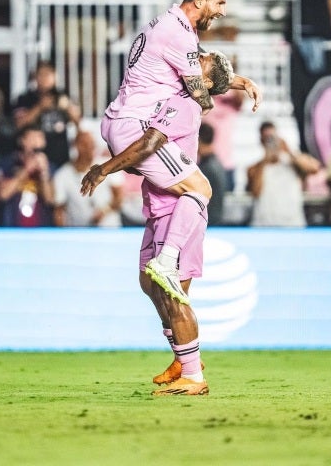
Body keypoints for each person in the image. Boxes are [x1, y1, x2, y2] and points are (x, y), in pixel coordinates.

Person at [81, 50, 241, 396]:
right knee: (149, 284)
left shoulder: (184, 105)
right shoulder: (177, 93)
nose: (195, 56)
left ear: (205, 81)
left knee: (173, 297)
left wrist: (104, 169)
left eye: (203, 60)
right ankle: (182, 360)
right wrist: (239, 83)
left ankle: (193, 376)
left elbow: (149, 145)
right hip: (159, 208)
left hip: (180, 210)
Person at [98, 0, 261, 306]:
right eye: (219, 2)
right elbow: (200, 90)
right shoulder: (179, 35)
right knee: (201, 190)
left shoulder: (170, 27)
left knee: (155, 286)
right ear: (199, 0)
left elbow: (202, 72)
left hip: (122, 120)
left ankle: (180, 351)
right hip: (135, 126)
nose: (223, 11)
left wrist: (239, 81)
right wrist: (210, 98)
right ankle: (167, 261)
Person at [246, 121, 321, 227]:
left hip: (292, 225)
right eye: (266, 138)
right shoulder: (255, 168)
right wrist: (266, 159)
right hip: (263, 226)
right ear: (261, 140)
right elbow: (256, 192)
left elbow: (314, 168)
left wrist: (288, 150)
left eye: (273, 137)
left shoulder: (292, 163)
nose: (270, 141)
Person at [12, 61, 81, 173]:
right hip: (32, 158)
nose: (44, 78)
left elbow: (78, 121)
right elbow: (19, 124)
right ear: (35, 77)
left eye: (48, 74)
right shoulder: (25, 98)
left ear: (54, 76)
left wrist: (68, 108)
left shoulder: (63, 96)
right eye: (41, 74)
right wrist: (39, 107)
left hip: (60, 157)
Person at [53, 130, 123, 227]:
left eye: (92, 144)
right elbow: (59, 209)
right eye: (86, 145)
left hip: (109, 230)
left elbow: (120, 197)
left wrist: (104, 211)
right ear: (76, 146)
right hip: (79, 232)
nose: (91, 148)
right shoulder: (62, 175)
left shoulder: (107, 166)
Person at [0, 126, 55, 227]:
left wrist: (44, 173)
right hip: (13, 228)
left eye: (40, 138)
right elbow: (3, 194)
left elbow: (49, 199)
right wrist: (26, 170)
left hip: (41, 230)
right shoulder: (9, 163)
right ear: (22, 141)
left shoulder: (50, 167)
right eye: (32, 138)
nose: (36, 143)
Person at [197, 122, 227, 226]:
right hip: (213, 221)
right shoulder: (217, 163)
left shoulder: (207, 168)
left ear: (198, 139)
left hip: (208, 223)